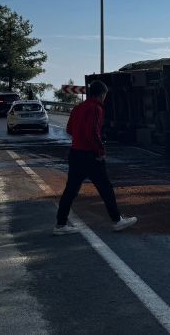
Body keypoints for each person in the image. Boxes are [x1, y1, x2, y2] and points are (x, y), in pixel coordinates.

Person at [54, 80, 137, 235]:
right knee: (106, 188)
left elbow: (70, 129)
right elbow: (93, 132)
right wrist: (100, 151)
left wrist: (80, 138)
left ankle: (60, 224)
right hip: (90, 156)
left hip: (75, 153)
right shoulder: (96, 108)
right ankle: (117, 220)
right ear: (102, 94)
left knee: (71, 190)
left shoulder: (78, 107)